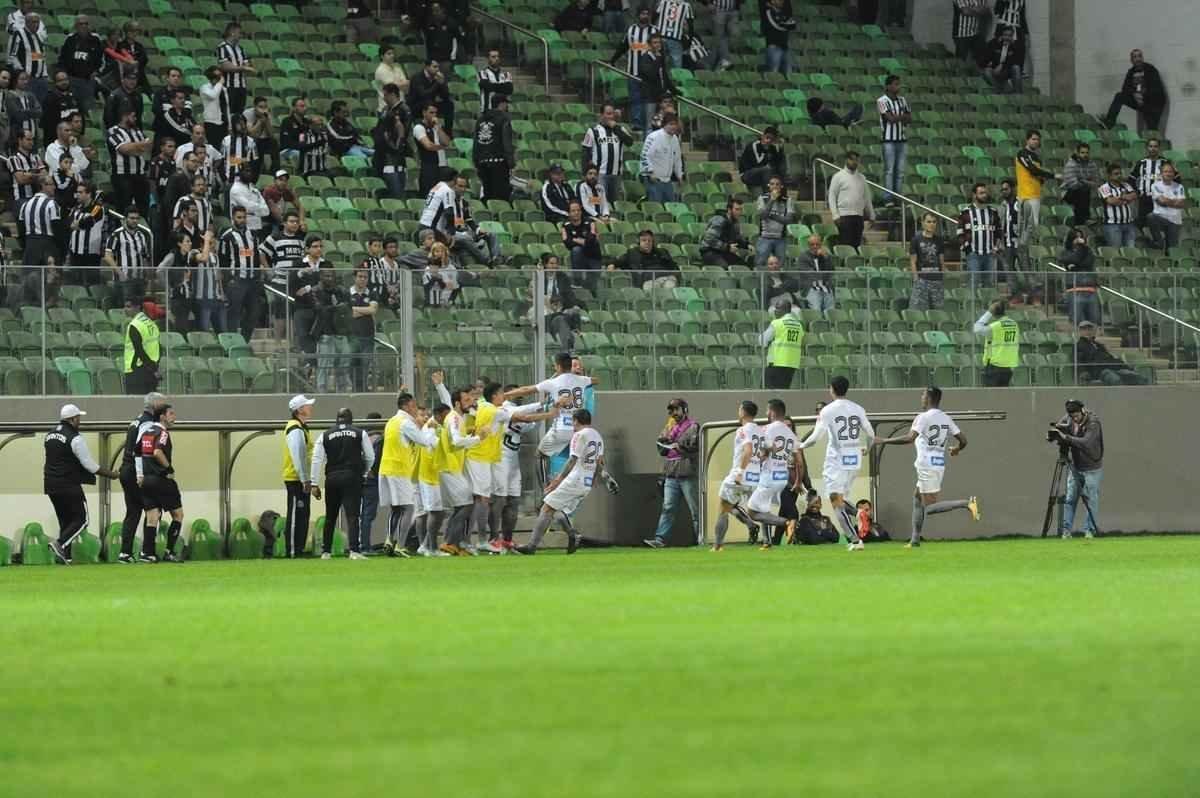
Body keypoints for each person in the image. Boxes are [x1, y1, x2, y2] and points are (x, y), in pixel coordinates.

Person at [873, 386, 980, 548]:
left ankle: (967, 503)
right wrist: (956, 449)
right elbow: (963, 440)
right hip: (938, 463)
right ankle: (915, 540)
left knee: (929, 507)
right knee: (917, 498)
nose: (921, 398)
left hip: (926, 465)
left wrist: (883, 440)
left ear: (929, 398)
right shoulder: (946, 418)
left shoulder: (922, 417)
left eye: (923, 395)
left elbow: (909, 438)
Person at [465, 382, 566, 553]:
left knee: (513, 499)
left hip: (511, 459)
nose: (517, 396)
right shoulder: (501, 409)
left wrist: (546, 405)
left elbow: (527, 416)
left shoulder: (502, 408)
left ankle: (506, 540)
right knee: (497, 499)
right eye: (511, 393)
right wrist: (549, 411)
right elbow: (522, 416)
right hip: (498, 458)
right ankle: (492, 538)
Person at [516, 409, 614, 555]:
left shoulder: (579, 435)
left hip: (575, 479)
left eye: (573, 421)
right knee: (557, 509)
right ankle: (573, 535)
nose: (572, 425)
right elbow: (599, 461)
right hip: (585, 483)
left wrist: (558, 480)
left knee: (546, 508)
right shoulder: (597, 436)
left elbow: (572, 460)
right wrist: (597, 479)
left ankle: (532, 546)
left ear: (576, 420)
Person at [798, 377, 874, 550]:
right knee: (840, 498)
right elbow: (870, 434)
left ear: (831, 389)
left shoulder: (827, 410)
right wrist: (868, 449)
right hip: (854, 459)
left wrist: (800, 446)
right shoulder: (858, 408)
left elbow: (816, 437)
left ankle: (855, 541)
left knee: (835, 500)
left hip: (837, 460)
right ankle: (859, 513)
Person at [43, 403, 118, 564]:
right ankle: (59, 544)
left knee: (65, 521)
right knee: (82, 520)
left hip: (50, 484)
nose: (80, 421)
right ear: (72, 419)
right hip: (68, 484)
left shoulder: (49, 435)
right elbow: (90, 465)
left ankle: (66, 557)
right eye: (78, 418)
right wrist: (112, 475)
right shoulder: (75, 438)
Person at [505, 352, 596, 483]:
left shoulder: (553, 383)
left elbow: (526, 390)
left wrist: (506, 395)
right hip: (578, 429)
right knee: (576, 458)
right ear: (570, 366)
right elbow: (595, 380)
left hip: (561, 429)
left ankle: (545, 487)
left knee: (540, 455)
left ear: (558, 366)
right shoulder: (583, 380)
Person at [308, 407, 375, 560]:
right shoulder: (360, 433)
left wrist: (314, 483)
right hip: (352, 477)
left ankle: (326, 552)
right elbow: (370, 456)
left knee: (330, 516)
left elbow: (317, 459)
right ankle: (354, 551)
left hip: (332, 478)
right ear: (351, 420)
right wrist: (365, 472)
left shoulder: (325, 435)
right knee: (352, 516)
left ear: (337, 419)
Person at [379, 391, 440, 557]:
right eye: (413, 406)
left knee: (396, 508)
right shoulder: (406, 422)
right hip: (399, 469)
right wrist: (429, 427)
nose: (415, 410)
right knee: (408, 508)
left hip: (386, 468)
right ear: (406, 406)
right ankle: (400, 545)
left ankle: (389, 540)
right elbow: (424, 441)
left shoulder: (392, 421)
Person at [739, 399, 802, 550]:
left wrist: (759, 457)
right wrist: (798, 481)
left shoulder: (766, 429)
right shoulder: (791, 434)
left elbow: (766, 448)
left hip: (768, 476)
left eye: (767, 411)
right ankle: (767, 541)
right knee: (764, 509)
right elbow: (799, 461)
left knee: (752, 512)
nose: (766, 413)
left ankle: (787, 523)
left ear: (772, 412)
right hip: (782, 477)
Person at [131, 400, 186, 563]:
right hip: (161, 480)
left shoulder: (147, 431)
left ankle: (147, 553)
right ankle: (169, 552)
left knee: (152, 516)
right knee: (178, 515)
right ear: (162, 417)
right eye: (171, 414)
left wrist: (140, 475)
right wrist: (169, 468)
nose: (174, 417)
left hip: (147, 481)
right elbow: (157, 452)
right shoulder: (162, 433)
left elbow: (136, 452)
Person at [116, 392, 168, 563]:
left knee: (133, 512)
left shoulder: (137, 420)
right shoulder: (149, 424)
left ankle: (125, 553)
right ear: (155, 405)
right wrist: (142, 474)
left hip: (126, 469)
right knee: (153, 510)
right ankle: (147, 552)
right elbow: (140, 450)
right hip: (137, 471)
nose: (166, 408)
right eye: (163, 404)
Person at [644, 397, 700, 548]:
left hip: (688, 473)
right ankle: (660, 539)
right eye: (671, 410)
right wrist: (665, 442)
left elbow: (695, 449)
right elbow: (662, 450)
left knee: (695, 510)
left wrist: (678, 446)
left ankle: (701, 538)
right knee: (668, 508)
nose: (673, 413)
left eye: (676, 409)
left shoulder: (693, 427)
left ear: (685, 410)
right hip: (670, 474)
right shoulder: (668, 427)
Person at [711, 400, 762, 551]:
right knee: (759, 511)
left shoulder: (742, 430)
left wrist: (740, 472)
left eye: (739, 409)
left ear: (743, 412)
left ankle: (717, 546)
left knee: (723, 508)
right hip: (755, 477)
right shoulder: (760, 431)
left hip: (740, 476)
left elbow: (748, 450)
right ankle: (766, 541)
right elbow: (766, 451)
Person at [1053, 399, 1104, 539]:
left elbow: (1086, 442)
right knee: (1070, 499)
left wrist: (1066, 437)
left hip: (1092, 467)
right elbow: (1060, 428)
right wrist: (1056, 432)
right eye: (1072, 416)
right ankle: (1066, 531)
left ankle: (1089, 531)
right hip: (1075, 466)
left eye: (1076, 416)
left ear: (1082, 411)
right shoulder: (1069, 418)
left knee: (1090, 500)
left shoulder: (1093, 422)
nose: (1074, 419)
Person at [1014, 129, 1060, 267]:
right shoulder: (1022, 154)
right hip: (1025, 194)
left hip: (1035, 193)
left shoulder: (1037, 157)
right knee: (1027, 223)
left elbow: (1037, 175)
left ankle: (1022, 246)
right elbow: (1032, 170)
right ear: (1027, 140)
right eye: (1033, 139)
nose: (1036, 142)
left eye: (1038, 139)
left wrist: (1041, 180)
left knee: (1032, 224)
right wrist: (1053, 175)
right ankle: (1020, 246)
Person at [610, 6, 657, 131]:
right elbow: (623, 46)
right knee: (635, 98)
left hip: (650, 73)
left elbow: (660, 51)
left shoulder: (654, 31)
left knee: (647, 99)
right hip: (633, 71)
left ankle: (647, 123)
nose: (645, 16)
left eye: (647, 14)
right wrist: (613, 59)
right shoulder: (631, 29)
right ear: (638, 15)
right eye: (643, 13)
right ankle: (637, 123)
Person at [280, 395, 316, 558]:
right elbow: (298, 456)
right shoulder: (295, 429)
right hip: (296, 480)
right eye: (307, 405)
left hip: (300, 479)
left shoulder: (301, 427)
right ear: (299, 410)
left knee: (302, 515)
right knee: (296, 516)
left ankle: (298, 549)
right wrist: (305, 480)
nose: (310, 407)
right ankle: (293, 550)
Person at [1101, 49, 1167, 134]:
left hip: (1153, 103)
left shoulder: (1150, 69)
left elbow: (1157, 89)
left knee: (1152, 129)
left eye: (1140, 56)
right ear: (1131, 60)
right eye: (1135, 57)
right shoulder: (1131, 72)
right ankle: (1109, 123)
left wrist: (1143, 96)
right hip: (1139, 101)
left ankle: (1154, 137)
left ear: (1142, 58)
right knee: (1119, 96)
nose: (1138, 59)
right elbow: (1125, 89)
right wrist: (1134, 94)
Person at [581, 103, 633, 201]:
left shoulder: (620, 129)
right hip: (599, 174)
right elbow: (585, 153)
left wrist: (615, 127)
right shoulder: (593, 131)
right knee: (598, 201)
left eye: (612, 114)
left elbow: (630, 142)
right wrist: (584, 173)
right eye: (608, 114)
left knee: (615, 202)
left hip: (616, 174)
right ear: (601, 115)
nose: (611, 116)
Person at [1075, 320, 1148, 385]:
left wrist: (1124, 365)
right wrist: (1083, 372)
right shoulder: (1078, 346)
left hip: (1113, 367)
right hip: (1100, 371)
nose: (1087, 331)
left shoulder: (1099, 345)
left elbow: (1110, 358)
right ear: (1080, 332)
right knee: (1116, 380)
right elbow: (1078, 361)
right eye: (1084, 329)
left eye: (1089, 329)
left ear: (1093, 331)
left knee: (1139, 378)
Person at [827, 150, 874, 249]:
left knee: (856, 245)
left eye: (857, 160)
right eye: (852, 159)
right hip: (844, 216)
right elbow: (832, 196)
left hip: (859, 217)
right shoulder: (838, 176)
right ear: (847, 160)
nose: (854, 162)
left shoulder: (862, 178)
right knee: (846, 245)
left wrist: (872, 214)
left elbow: (867, 197)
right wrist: (835, 215)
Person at [472, 94, 514, 202]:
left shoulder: (480, 120)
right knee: (501, 197)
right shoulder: (504, 119)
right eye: (506, 104)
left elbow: (476, 141)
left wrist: (476, 161)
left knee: (488, 196)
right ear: (502, 104)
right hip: (499, 162)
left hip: (482, 162)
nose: (507, 106)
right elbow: (506, 142)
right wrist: (511, 163)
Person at [57, 15, 103, 113]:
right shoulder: (70, 39)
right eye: (81, 24)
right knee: (72, 110)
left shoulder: (95, 40)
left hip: (88, 81)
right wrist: (64, 73)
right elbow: (62, 58)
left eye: (86, 23)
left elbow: (101, 60)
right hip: (72, 80)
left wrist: (97, 71)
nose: (84, 26)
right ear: (76, 26)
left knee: (88, 111)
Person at [876, 75, 910, 204]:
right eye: (896, 84)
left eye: (899, 84)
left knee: (900, 171)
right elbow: (890, 119)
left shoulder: (902, 100)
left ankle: (898, 197)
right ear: (888, 86)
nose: (898, 87)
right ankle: (888, 198)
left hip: (902, 139)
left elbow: (909, 118)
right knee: (889, 171)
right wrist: (902, 116)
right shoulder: (881, 101)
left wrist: (897, 116)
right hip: (888, 140)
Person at [958, 183, 1000, 287]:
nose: (984, 195)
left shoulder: (993, 212)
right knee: (974, 282)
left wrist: (996, 247)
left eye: (985, 193)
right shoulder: (966, 212)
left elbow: (998, 232)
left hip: (990, 254)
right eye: (981, 193)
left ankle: (987, 299)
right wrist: (966, 248)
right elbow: (960, 232)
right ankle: (971, 299)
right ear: (974, 195)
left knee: (989, 283)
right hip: (973, 253)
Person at [608, 228, 677, 291]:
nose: (647, 242)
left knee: (670, 286)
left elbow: (673, 265)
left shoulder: (662, 251)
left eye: (649, 241)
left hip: (667, 277)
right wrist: (613, 264)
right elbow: (620, 261)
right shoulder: (632, 253)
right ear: (639, 242)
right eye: (644, 240)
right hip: (649, 281)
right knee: (653, 289)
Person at [973, 298, 1020, 387]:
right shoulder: (1014, 324)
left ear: (993, 311)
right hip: (1008, 367)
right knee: (1003, 394)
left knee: (991, 395)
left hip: (994, 366)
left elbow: (976, 328)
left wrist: (988, 313)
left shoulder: (994, 327)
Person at [759, 297, 804, 389]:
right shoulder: (799, 325)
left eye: (777, 308)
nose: (775, 311)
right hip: (792, 364)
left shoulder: (777, 323)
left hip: (777, 362)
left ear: (784, 309)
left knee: (766, 391)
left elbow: (762, 340)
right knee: (783, 391)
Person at [1059, 227, 1099, 327]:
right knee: (1077, 323)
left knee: (1094, 322)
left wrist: (1076, 266)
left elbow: (1088, 263)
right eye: (1076, 237)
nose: (1079, 240)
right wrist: (1081, 250)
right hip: (1074, 290)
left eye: (1081, 237)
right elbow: (1074, 260)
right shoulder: (1065, 253)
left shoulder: (1089, 252)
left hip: (1090, 290)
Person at [639, 112, 683, 203]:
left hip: (667, 179)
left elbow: (677, 159)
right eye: (671, 124)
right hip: (654, 178)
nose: (673, 127)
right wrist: (650, 172)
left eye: (675, 124)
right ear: (664, 125)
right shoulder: (654, 137)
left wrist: (679, 175)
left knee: (670, 205)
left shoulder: (675, 139)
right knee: (655, 205)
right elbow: (645, 156)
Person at [637, 34, 677, 132]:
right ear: (649, 45)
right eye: (655, 42)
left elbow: (664, 76)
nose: (658, 45)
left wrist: (674, 90)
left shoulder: (660, 57)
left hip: (660, 96)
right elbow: (651, 75)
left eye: (659, 42)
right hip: (649, 96)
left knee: (661, 124)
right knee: (649, 125)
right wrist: (658, 60)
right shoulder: (645, 58)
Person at [754, 175, 796, 267]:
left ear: (781, 186)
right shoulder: (762, 198)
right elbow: (763, 216)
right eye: (772, 184)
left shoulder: (787, 200)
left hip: (780, 238)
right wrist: (772, 200)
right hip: (764, 237)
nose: (775, 186)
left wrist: (771, 215)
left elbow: (788, 220)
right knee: (760, 264)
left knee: (780, 265)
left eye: (777, 184)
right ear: (769, 186)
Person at [561, 200, 602, 292]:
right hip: (579, 257)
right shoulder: (566, 225)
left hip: (593, 255)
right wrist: (582, 241)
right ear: (569, 213)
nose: (576, 213)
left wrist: (575, 239)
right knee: (576, 250)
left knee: (592, 286)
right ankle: (577, 281)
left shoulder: (590, 222)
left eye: (578, 210)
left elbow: (592, 239)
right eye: (573, 211)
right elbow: (567, 242)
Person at [123, 299, 162, 394]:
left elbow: (139, 350)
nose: (125, 309)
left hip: (136, 370)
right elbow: (159, 347)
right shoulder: (151, 324)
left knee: (135, 402)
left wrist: (150, 366)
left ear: (137, 307)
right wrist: (154, 368)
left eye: (128, 307)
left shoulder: (134, 325)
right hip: (152, 369)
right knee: (150, 401)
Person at [18, 176, 60, 266]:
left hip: (30, 245)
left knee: (30, 274)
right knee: (50, 274)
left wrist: (26, 246)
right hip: (47, 245)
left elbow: (21, 230)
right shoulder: (51, 204)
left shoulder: (25, 205)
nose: (54, 187)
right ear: (43, 186)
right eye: (52, 184)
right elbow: (57, 228)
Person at [348, 268, 377, 392]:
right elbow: (349, 313)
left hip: (368, 335)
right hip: (352, 336)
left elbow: (373, 310)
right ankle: (355, 388)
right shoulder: (347, 293)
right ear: (354, 277)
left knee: (365, 363)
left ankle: (363, 389)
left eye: (365, 277)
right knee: (352, 363)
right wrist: (366, 310)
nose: (363, 279)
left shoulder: (372, 293)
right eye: (360, 276)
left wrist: (355, 309)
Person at [909, 212, 946, 311]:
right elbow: (913, 261)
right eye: (929, 222)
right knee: (918, 310)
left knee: (938, 310)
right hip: (922, 280)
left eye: (934, 222)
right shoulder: (916, 240)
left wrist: (942, 277)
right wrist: (916, 279)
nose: (932, 224)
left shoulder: (939, 240)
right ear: (923, 223)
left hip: (937, 280)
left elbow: (941, 261)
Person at [700, 196, 751, 266]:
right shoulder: (719, 220)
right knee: (724, 266)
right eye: (737, 209)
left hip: (724, 252)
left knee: (743, 266)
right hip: (710, 251)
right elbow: (709, 239)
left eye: (741, 209)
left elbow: (737, 238)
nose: (739, 212)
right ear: (729, 210)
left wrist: (747, 245)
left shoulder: (735, 222)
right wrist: (727, 247)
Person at [1148, 162, 1185, 255]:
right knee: (1151, 217)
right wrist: (1175, 201)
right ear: (1161, 173)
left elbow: (1181, 204)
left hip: (1175, 220)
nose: (1168, 174)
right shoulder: (1155, 185)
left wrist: (1167, 201)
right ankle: (1158, 241)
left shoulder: (1179, 186)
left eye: (1170, 171)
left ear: (1174, 174)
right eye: (1166, 171)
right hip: (1161, 218)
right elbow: (1162, 201)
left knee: (1172, 250)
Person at [1061, 143, 1102, 226]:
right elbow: (1073, 184)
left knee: (1085, 191)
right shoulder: (1071, 164)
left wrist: (1082, 180)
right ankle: (1083, 220)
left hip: (1085, 192)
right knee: (1081, 192)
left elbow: (1096, 182)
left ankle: (1081, 221)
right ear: (1077, 153)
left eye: (1087, 153)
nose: (1085, 155)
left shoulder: (1092, 164)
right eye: (1082, 153)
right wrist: (1087, 181)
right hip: (1068, 193)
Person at [1129, 138, 1164, 230]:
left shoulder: (1165, 163)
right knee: (1143, 224)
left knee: (1158, 226)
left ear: (1159, 148)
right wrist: (1137, 192)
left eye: (1155, 146)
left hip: (1160, 200)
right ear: (1147, 148)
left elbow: (1176, 179)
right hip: (1144, 200)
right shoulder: (1141, 163)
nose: (1153, 149)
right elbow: (1131, 179)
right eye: (1151, 146)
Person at [978, 25, 1024, 94]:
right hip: (995, 70)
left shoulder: (1016, 46)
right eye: (1005, 35)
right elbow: (983, 61)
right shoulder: (993, 43)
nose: (1007, 38)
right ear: (1001, 35)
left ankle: (1018, 94)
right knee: (986, 71)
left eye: (1010, 36)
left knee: (1016, 68)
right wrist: (991, 65)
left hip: (1007, 70)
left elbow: (1019, 62)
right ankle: (1000, 89)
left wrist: (1002, 65)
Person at [794, 234, 834, 312]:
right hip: (811, 287)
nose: (815, 247)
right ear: (808, 245)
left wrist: (826, 258)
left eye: (817, 244)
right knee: (816, 310)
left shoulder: (825, 256)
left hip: (826, 286)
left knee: (830, 311)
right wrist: (824, 276)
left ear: (821, 245)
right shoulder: (803, 257)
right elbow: (811, 275)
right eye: (812, 244)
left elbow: (831, 271)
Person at [653, 0, 692, 68]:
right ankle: (676, 74)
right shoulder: (686, 5)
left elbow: (654, 16)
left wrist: (654, 31)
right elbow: (690, 24)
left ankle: (660, 73)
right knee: (676, 62)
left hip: (661, 35)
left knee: (660, 60)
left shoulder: (663, 2)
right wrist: (690, 39)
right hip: (675, 37)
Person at [761, 0, 795, 74]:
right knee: (773, 73)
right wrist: (785, 24)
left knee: (788, 73)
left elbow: (793, 25)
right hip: (774, 46)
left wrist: (783, 23)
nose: (782, 1)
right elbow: (775, 25)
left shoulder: (784, 13)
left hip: (785, 47)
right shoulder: (768, 12)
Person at [373, 45, 409, 113]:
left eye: (393, 53)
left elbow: (406, 85)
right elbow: (393, 87)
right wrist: (402, 84)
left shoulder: (397, 67)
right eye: (389, 54)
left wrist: (401, 84)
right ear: (382, 56)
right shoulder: (380, 70)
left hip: (401, 105)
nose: (392, 55)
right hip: (386, 108)